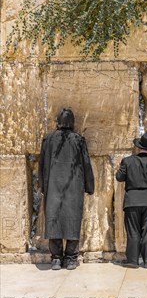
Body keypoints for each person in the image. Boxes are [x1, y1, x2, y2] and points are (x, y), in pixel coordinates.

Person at [39, 107, 94, 270]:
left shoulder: (48, 139)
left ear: (58, 121)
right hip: (74, 188)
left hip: (53, 187)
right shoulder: (78, 139)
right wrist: (89, 186)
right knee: (73, 220)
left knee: (54, 219)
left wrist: (42, 186)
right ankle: (70, 258)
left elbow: (42, 165)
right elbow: (86, 164)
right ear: (72, 122)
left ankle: (56, 258)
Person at [116, 131, 147, 268]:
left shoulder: (127, 161)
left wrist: (119, 167)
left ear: (138, 147)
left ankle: (132, 260)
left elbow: (119, 178)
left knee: (133, 230)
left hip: (132, 200)